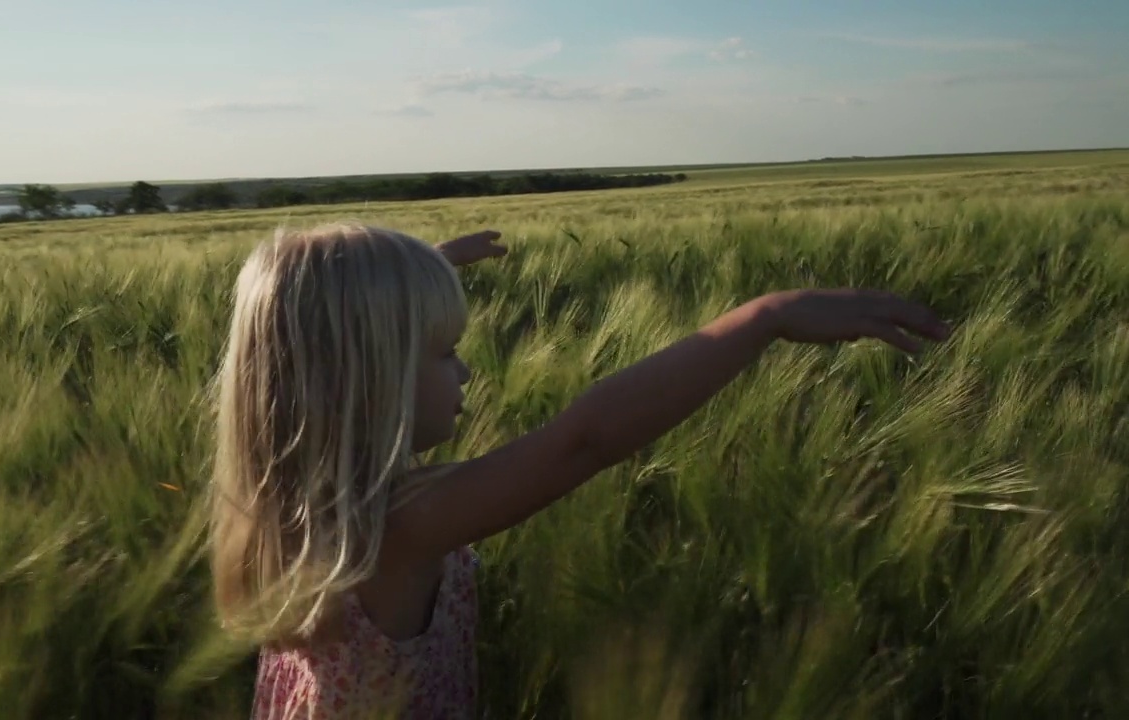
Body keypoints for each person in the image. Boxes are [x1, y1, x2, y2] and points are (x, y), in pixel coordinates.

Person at [206, 222, 952, 719]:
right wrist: (764, 319)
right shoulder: (398, 526)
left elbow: (314, 332)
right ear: (366, 377)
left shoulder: (290, 499)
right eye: (441, 352)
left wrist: (425, 272)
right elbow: (583, 441)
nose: (467, 370)